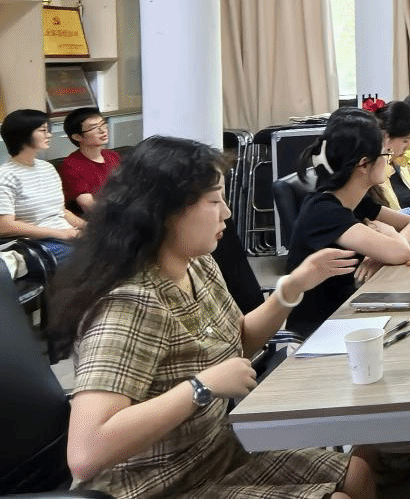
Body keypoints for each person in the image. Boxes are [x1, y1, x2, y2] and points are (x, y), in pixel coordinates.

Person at [47, 136, 375, 499]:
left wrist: (293, 286)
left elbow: (236, 342)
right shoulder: (128, 304)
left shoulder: (198, 264)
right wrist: (200, 387)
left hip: (216, 454)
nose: (227, 213)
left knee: (357, 472)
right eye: (215, 201)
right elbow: (86, 453)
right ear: (165, 211)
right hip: (156, 486)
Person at [284, 110, 410, 337]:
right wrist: (389, 236)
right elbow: (400, 252)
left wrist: (379, 251)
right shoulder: (324, 211)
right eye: (385, 153)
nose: (389, 159)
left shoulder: (355, 200)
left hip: (353, 309)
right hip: (322, 330)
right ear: (364, 164)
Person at [0, 108, 84, 269]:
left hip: (65, 235)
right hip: (37, 243)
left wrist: (89, 226)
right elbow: (4, 226)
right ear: (23, 134)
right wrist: (61, 234)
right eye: (43, 130)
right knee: (93, 253)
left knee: (116, 240)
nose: (49, 135)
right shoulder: (5, 175)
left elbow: (61, 211)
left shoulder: (47, 168)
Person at [58, 107, 121, 213]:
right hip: (101, 217)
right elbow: (90, 206)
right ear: (77, 137)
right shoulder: (70, 166)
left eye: (103, 124)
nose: (103, 130)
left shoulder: (112, 155)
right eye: (94, 127)